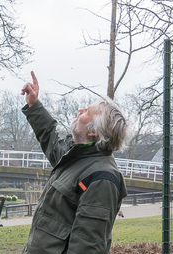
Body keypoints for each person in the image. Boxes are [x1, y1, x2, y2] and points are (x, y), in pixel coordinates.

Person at [20, 71, 128, 254]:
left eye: (87, 112)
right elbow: (51, 140)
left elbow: (88, 246)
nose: (80, 110)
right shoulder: (77, 157)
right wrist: (34, 105)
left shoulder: (102, 178)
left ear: (94, 131)